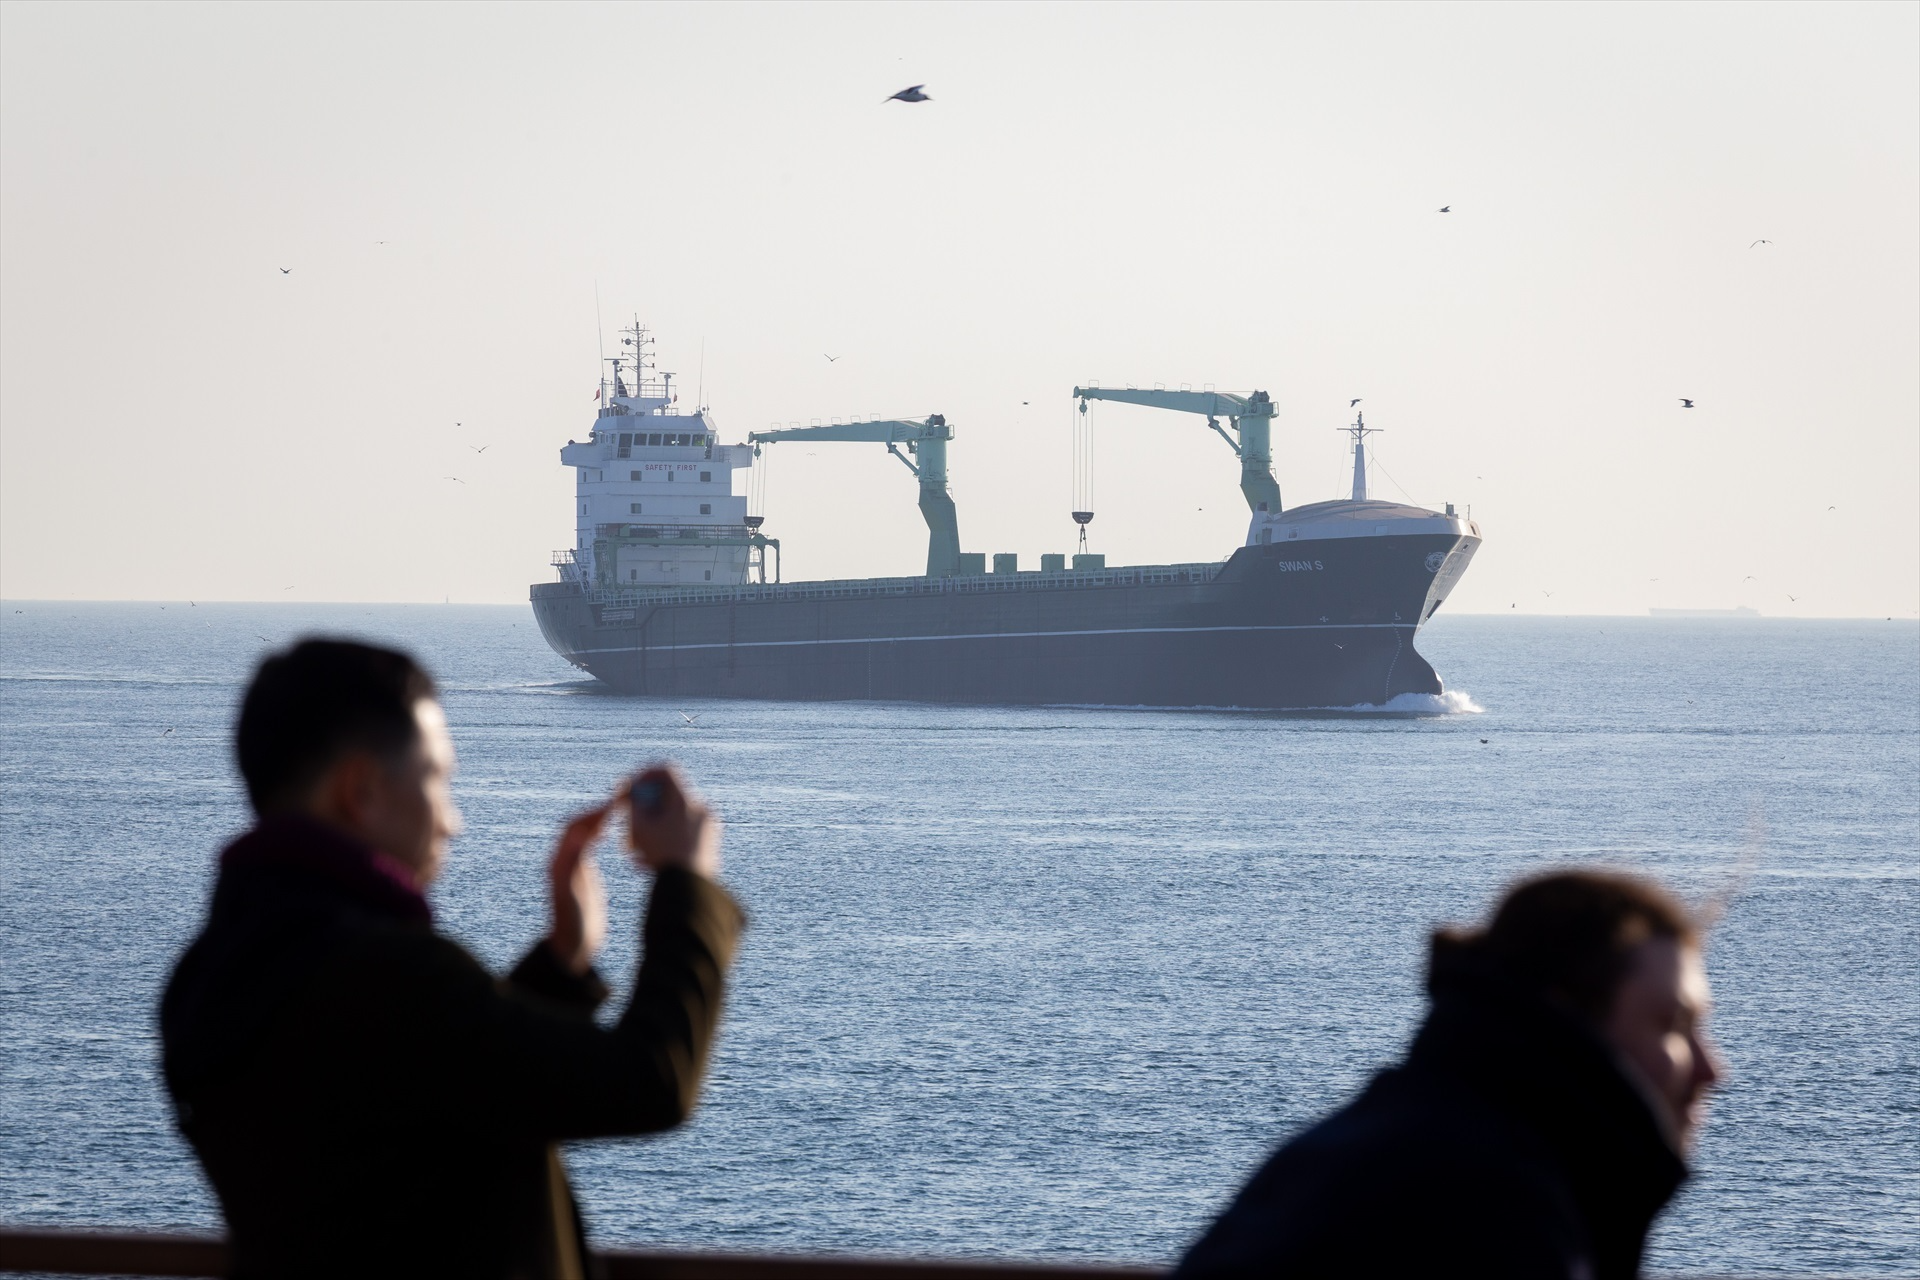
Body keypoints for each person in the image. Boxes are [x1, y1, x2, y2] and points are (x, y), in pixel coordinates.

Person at [160, 639, 745, 1279]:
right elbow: (651, 1080)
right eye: (437, 779)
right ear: (360, 789)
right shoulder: (386, 976)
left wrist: (562, 961)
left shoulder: (213, 973)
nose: (452, 822)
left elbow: (435, 1102)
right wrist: (687, 885)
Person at [1176, 870, 1723, 1280]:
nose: (1711, 1069)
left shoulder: (1394, 1140)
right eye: (1672, 1024)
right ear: (1568, 1014)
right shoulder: (1485, 1210)